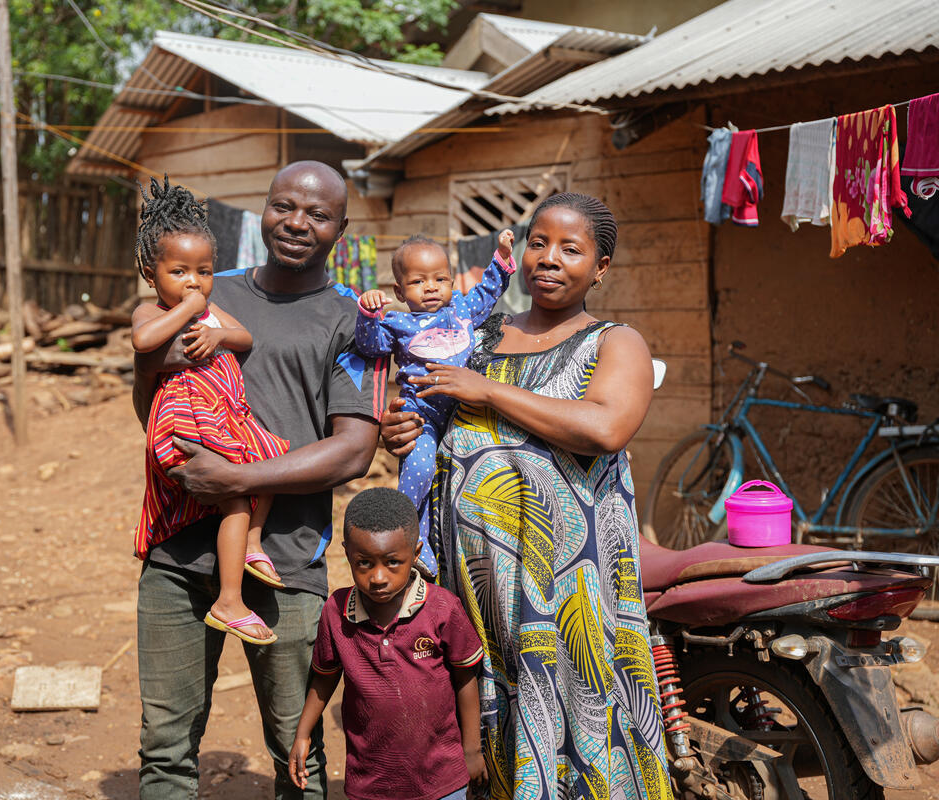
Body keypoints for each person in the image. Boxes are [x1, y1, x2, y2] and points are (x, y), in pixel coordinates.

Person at [380, 192, 673, 800]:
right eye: (538, 242)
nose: (549, 258)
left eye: (571, 249)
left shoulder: (615, 343)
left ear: (601, 267)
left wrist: (486, 391)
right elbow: (429, 415)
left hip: (571, 591)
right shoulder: (476, 336)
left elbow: (605, 427)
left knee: (581, 726)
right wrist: (405, 428)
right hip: (474, 584)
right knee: (479, 727)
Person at [130, 161, 384, 800]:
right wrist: (191, 462)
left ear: (341, 230)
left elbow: (354, 449)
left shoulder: (351, 323)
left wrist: (235, 475)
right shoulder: (208, 291)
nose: (297, 222)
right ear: (263, 209)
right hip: (177, 551)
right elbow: (152, 393)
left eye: (317, 214)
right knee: (165, 749)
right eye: (283, 206)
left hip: (287, 560)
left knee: (295, 750)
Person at [131, 175, 289, 646]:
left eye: (203, 272)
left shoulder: (211, 312)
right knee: (234, 495)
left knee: (270, 462)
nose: (193, 282)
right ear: (150, 273)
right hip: (183, 420)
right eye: (179, 271)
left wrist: (216, 330)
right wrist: (190, 308)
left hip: (223, 415)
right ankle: (229, 601)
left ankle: (253, 543)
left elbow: (246, 338)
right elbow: (144, 341)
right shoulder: (149, 310)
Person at [288, 487, 486, 800]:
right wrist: (303, 734)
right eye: (364, 563)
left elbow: (466, 678)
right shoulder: (336, 612)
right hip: (371, 784)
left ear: (416, 552)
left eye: (393, 562)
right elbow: (324, 679)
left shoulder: (442, 608)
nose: (378, 577)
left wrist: (472, 750)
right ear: (347, 553)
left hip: (442, 780)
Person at [353, 231, 515, 577]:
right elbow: (370, 347)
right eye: (418, 281)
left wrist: (501, 258)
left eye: (440, 279)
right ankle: (407, 538)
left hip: (465, 415)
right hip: (421, 415)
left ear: (452, 282)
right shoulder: (398, 323)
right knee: (420, 472)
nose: (431, 287)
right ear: (399, 292)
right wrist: (368, 315)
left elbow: (488, 291)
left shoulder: (462, 309)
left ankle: (426, 544)